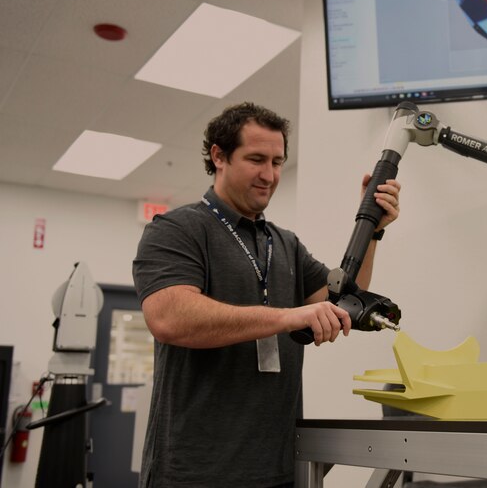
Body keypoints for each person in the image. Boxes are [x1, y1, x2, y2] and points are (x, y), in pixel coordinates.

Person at [132, 102, 401, 488]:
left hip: (277, 468)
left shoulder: (285, 244)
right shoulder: (177, 229)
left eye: (277, 162)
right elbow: (169, 318)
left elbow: (345, 300)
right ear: (219, 156)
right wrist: (288, 316)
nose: (270, 175)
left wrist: (372, 228)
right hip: (193, 471)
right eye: (256, 159)